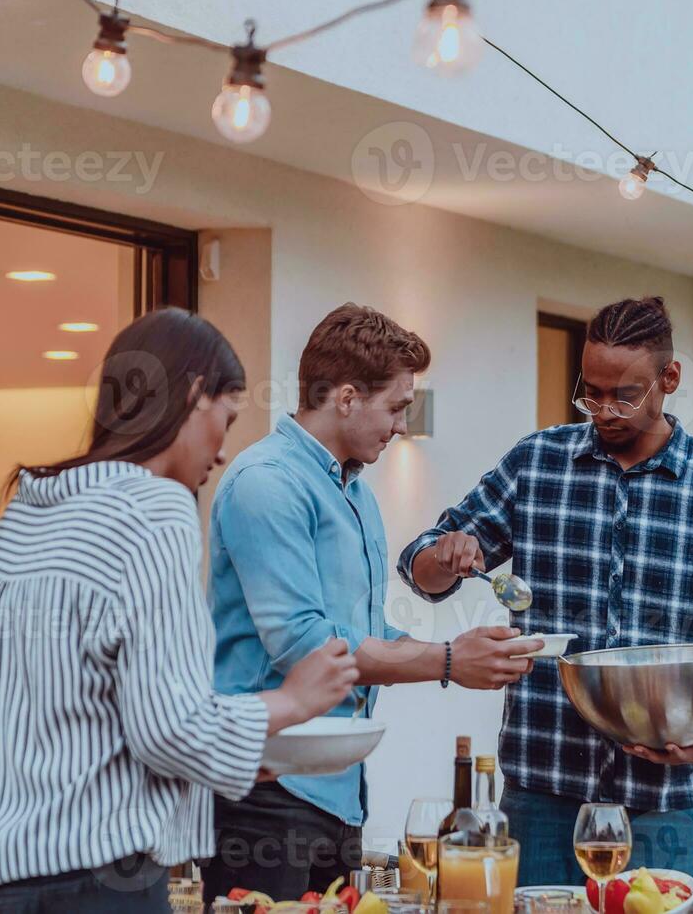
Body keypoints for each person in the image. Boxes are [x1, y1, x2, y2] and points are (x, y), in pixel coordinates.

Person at [0, 309, 358, 914]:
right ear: (194, 397)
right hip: (88, 883)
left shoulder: (29, 510)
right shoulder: (156, 509)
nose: (222, 452)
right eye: (226, 418)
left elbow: (72, 710)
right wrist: (292, 701)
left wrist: (241, 755)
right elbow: (170, 728)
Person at [399, 296, 693, 885]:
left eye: (624, 394)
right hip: (542, 795)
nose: (604, 409)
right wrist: (446, 557)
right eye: (590, 391)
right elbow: (420, 567)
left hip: (665, 801)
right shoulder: (537, 463)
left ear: (669, 379)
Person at [203, 303, 541, 902]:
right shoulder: (267, 482)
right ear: (348, 398)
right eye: (397, 407)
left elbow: (367, 627)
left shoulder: (355, 491)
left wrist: (467, 652)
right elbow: (306, 646)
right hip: (265, 794)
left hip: (340, 792)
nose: (402, 425)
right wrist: (444, 662)